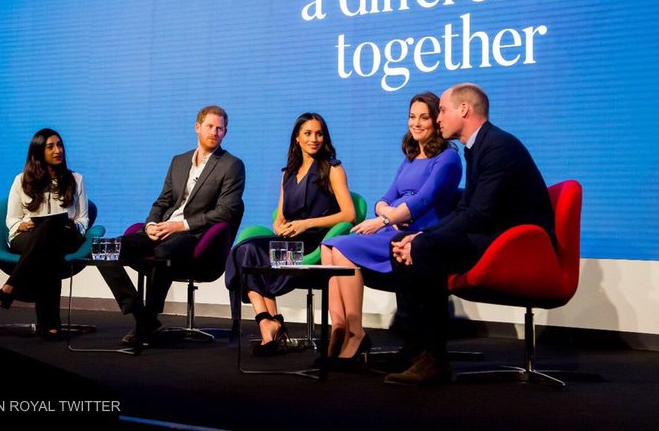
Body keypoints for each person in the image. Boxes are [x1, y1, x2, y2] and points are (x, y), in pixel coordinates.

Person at [385, 83, 555, 385]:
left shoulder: (498, 146)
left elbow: (480, 214)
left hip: (520, 244)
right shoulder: (477, 147)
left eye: (443, 111)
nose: (438, 119)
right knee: (401, 242)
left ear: (464, 109)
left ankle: (436, 360)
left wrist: (424, 240)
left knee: (427, 249)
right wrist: (418, 236)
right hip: (496, 235)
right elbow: (466, 209)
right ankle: (416, 350)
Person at [321, 92, 462, 366]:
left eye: (424, 117)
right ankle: (341, 328)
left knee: (340, 246)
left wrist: (385, 220)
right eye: (412, 117)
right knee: (330, 246)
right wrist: (387, 213)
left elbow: (424, 200)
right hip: (393, 226)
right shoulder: (410, 158)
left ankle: (356, 334)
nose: (416, 123)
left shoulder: (447, 159)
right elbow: (383, 200)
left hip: (418, 236)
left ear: (436, 120)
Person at [98, 105, 245, 345]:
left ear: (225, 133)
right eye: (210, 126)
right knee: (104, 249)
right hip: (162, 229)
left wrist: (180, 226)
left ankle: (147, 319)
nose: (215, 132)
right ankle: (142, 316)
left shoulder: (232, 165)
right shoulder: (179, 161)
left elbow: (226, 212)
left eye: (220, 129)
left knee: (163, 253)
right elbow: (163, 200)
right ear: (197, 127)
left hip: (194, 236)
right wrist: (151, 224)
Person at [226, 112, 355, 355]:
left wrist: (306, 224)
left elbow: (349, 215)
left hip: (312, 246)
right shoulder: (288, 173)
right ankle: (267, 323)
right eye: (307, 133)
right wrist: (279, 226)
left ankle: (272, 324)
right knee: (243, 251)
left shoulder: (333, 169)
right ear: (297, 138)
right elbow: (280, 215)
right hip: (289, 242)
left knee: (252, 251)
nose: (314, 139)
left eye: (319, 133)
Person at [0, 128, 89, 340]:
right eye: (51, 147)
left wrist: (74, 227)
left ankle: (12, 283)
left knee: (51, 230)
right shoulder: (21, 180)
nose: (58, 150)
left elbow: (83, 218)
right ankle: (50, 325)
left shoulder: (76, 179)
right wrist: (19, 225)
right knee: (49, 249)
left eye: (60, 145)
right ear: (38, 152)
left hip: (65, 235)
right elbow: (11, 219)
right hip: (28, 237)